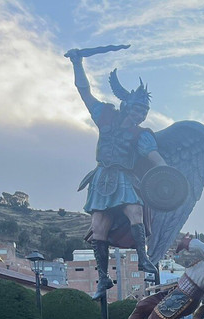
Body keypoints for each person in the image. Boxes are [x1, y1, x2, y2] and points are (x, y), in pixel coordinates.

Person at [66, 49, 166, 297]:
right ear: (127, 106)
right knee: (99, 227)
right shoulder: (105, 116)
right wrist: (77, 63)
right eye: (137, 109)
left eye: (144, 112)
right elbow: (84, 91)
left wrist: (168, 174)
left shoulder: (141, 135)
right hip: (101, 177)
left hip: (124, 177)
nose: (140, 115)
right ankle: (102, 278)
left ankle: (143, 258)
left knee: (135, 211)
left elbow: (156, 159)